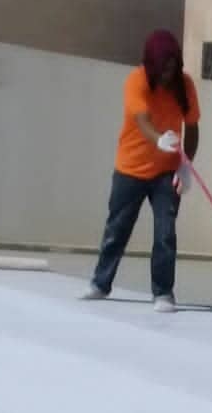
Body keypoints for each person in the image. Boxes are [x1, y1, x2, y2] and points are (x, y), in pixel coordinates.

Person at [84, 30, 200, 312]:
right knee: (117, 229)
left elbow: (193, 127)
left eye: (172, 68)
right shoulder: (136, 80)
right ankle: (100, 283)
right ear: (151, 64)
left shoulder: (184, 86)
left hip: (166, 172)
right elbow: (142, 120)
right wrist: (159, 139)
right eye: (163, 68)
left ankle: (163, 293)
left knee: (165, 233)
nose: (167, 74)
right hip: (130, 169)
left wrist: (186, 166)